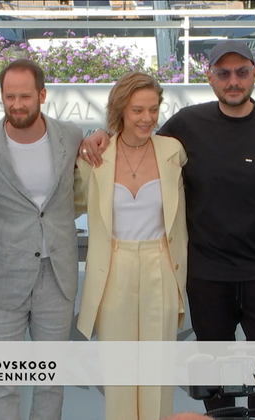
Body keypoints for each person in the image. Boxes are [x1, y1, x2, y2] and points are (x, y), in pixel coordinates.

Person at [80, 40, 255, 419]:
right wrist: (97, 133)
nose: (233, 81)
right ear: (210, 78)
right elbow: (137, 137)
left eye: (241, 72)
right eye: (224, 73)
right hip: (206, 277)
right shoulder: (186, 127)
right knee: (214, 385)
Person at [0, 59, 83, 420]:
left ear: (42, 95)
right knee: (5, 381)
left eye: (25, 96)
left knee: (51, 378)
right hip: (3, 279)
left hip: (57, 275)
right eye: (9, 96)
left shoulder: (72, 136)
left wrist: (102, 135)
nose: (17, 104)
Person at [73, 72, 188, 420]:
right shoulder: (96, 157)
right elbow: (73, 203)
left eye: (153, 109)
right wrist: (88, 142)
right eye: (138, 110)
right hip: (114, 269)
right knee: (120, 376)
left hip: (160, 265)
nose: (147, 118)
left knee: (157, 375)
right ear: (121, 110)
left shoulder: (173, 151)